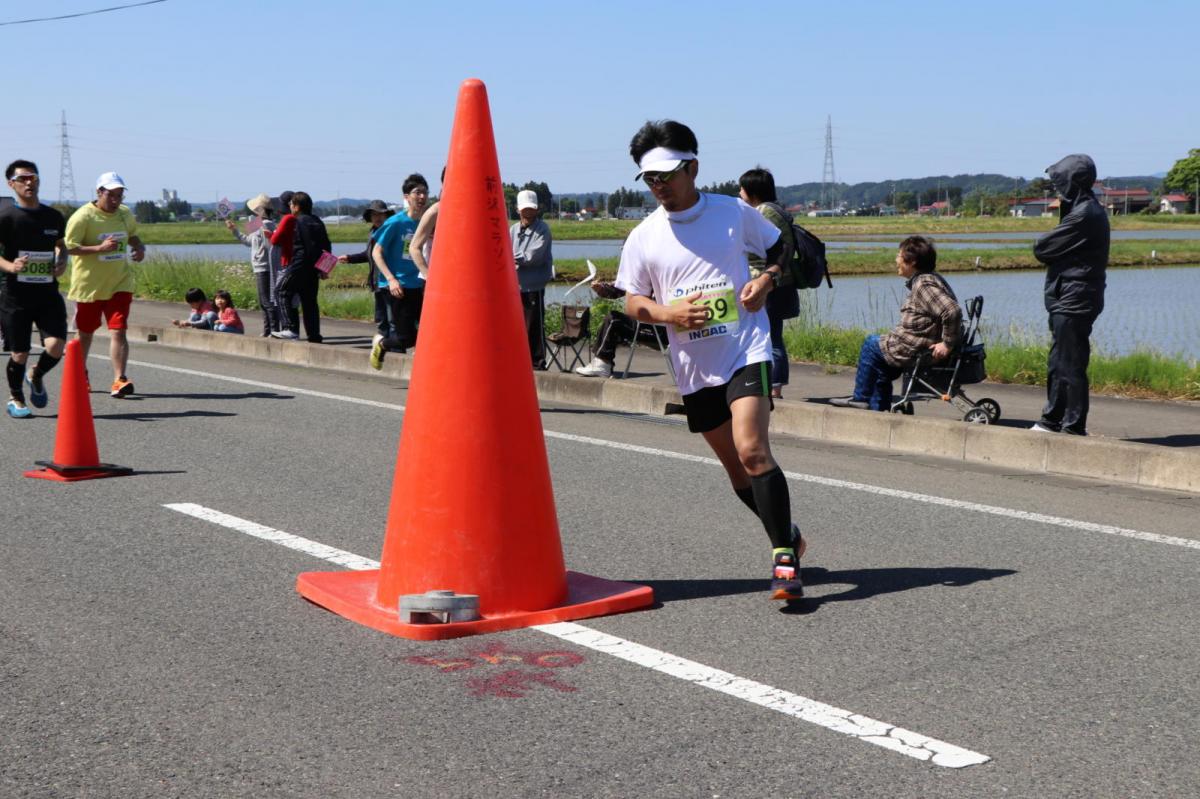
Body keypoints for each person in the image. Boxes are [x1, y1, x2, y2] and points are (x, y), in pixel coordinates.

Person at [615, 119, 804, 600]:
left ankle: (784, 562)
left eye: (667, 175)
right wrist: (665, 312)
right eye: (650, 179)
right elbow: (630, 300)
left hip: (746, 347)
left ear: (693, 167)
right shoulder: (644, 236)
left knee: (752, 448)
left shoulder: (733, 213)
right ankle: (790, 535)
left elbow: (782, 246)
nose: (659, 186)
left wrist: (767, 280)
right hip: (695, 366)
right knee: (737, 471)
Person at [830, 236, 962, 411]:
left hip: (916, 348)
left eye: (899, 256)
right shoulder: (930, 278)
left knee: (870, 345)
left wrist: (947, 343)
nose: (896, 260)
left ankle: (860, 397)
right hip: (915, 344)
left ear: (912, 261)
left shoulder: (923, 284)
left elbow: (951, 311)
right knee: (880, 359)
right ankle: (879, 408)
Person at [1030, 154, 1109, 436]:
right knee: (1058, 361)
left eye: (1059, 182)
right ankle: (1052, 420)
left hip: (1076, 296)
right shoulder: (1080, 210)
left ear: (1072, 182)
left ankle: (1074, 426)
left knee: (1071, 363)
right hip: (1070, 295)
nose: (1056, 188)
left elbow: (1042, 248)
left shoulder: (1085, 214)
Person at [64, 171, 146, 398]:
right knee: (85, 333)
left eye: (120, 195)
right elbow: (69, 247)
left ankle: (119, 379)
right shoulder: (82, 217)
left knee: (119, 330)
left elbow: (132, 235)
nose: (116, 199)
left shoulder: (124, 214)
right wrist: (99, 249)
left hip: (120, 282)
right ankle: (80, 373)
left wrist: (139, 247)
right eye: (111, 194)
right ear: (99, 192)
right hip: (89, 285)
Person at [0, 159, 68, 418]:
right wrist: (10, 266)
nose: (30, 182)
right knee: (20, 352)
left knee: (56, 346)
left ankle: (35, 374)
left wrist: (61, 261)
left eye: (34, 177)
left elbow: (61, 245)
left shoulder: (53, 216)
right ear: (11, 184)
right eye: (23, 178)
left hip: (47, 293)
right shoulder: (6, 217)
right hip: (15, 295)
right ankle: (15, 398)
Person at [738, 167, 799, 399]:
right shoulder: (777, 209)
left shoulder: (763, 211)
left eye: (742, 188)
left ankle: (774, 387)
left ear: (753, 190)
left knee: (771, 335)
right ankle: (773, 384)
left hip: (771, 283)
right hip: (779, 282)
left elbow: (763, 248)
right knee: (772, 333)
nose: (740, 192)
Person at [369, 174, 429, 369]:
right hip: (398, 286)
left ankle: (424, 368)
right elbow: (376, 252)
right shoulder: (395, 222)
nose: (422, 197)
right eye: (417, 192)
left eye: (425, 192)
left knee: (431, 330)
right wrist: (391, 279)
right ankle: (381, 344)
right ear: (406, 196)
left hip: (420, 284)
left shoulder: (428, 222)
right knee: (405, 338)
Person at [574, 280, 668, 378]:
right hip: (648, 326)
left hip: (661, 332)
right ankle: (600, 362)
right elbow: (619, 289)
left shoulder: (659, 278)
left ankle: (603, 364)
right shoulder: (643, 277)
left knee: (614, 320)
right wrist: (602, 288)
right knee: (612, 318)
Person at [272, 191, 330, 342]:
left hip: (300, 264)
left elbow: (306, 247)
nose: (290, 207)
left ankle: (290, 328)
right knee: (309, 301)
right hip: (314, 268)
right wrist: (324, 268)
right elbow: (326, 245)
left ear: (297, 207)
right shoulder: (317, 221)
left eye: (291, 204)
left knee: (281, 291)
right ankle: (314, 335)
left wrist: (298, 266)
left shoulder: (299, 221)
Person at [338, 199, 394, 339]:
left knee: (392, 319)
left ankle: (395, 350)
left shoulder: (391, 231)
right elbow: (369, 255)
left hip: (389, 282)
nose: (377, 217)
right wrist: (350, 258)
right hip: (377, 282)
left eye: (381, 214)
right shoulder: (373, 233)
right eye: (374, 215)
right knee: (381, 319)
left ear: (387, 216)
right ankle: (382, 348)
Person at [511, 189, 553, 369]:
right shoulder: (512, 229)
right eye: (524, 209)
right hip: (516, 286)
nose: (528, 212)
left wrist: (512, 258)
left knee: (534, 325)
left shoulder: (543, 229)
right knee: (516, 327)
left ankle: (537, 362)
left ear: (537, 209)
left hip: (534, 286)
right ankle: (519, 361)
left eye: (531, 209)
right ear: (517, 209)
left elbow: (535, 255)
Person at [227, 193, 279, 336]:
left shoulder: (268, 225)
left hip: (265, 267)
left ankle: (274, 331)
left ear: (261, 210)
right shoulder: (258, 224)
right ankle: (268, 330)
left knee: (267, 301)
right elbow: (248, 241)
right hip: (260, 267)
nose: (254, 211)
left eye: (256, 209)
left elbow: (270, 247)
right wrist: (234, 230)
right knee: (264, 302)